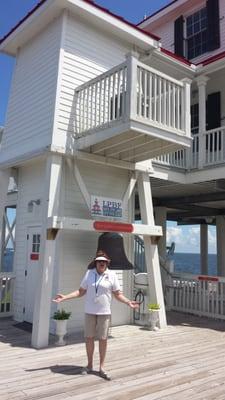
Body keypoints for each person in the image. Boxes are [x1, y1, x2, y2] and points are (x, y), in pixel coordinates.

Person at [53, 250, 139, 380]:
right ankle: (89, 365)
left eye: (104, 262)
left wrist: (128, 302)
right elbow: (80, 292)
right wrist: (65, 297)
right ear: (95, 262)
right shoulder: (89, 273)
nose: (101, 263)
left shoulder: (112, 275)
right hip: (90, 312)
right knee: (89, 338)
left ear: (107, 263)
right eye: (99, 261)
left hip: (104, 312)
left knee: (103, 339)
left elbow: (117, 294)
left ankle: (102, 367)